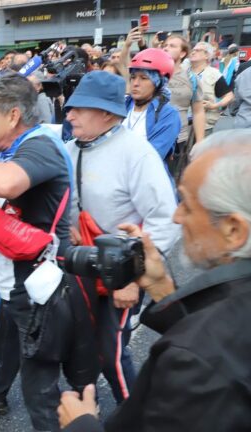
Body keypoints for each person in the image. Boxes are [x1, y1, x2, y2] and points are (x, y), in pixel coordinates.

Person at [58, 129, 251, 432]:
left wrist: (80, 424)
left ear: (233, 230)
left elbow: (209, 352)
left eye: (186, 204)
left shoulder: (193, 364)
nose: (176, 217)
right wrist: (162, 289)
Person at [0, 74, 96, 431]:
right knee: (4, 338)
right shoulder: (14, 150)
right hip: (18, 282)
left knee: (40, 389)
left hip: (41, 288)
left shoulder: (39, 145)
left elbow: (6, 182)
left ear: (13, 116)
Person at [63, 71, 180, 405]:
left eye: (79, 108)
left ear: (107, 114)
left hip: (122, 272)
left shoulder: (136, 153)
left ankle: (136, 415)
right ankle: (86, 408)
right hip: (81, 266)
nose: (69, 115)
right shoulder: (70, 149)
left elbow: (164, 219)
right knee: (80, 342)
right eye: (70, 107)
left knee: (111, 352)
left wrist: (134, 277)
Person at [124, 49, 181, 161]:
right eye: (133, 77)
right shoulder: (121, 105)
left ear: (159, 82)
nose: (135, 83)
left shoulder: (168, 115)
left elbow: (151, 158)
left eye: (144, 78)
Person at [163, 35, 207, 175]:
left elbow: (198, 111)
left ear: (182, 53)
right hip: (153, 136)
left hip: (178, 140)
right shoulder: (153, 73)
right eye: (165, 45)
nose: (166, 48)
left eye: (172, 46)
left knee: (174, 182)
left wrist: (200, 142)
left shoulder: (191, 78)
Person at [190, 42, 234, 135]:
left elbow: (229, 96)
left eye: (197, 50)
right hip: (183, 126)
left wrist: (214, 106)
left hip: (205, 126)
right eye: (193, 50)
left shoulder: (214, 74)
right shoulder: (183, 70)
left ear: (207, 55)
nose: (193, 52)